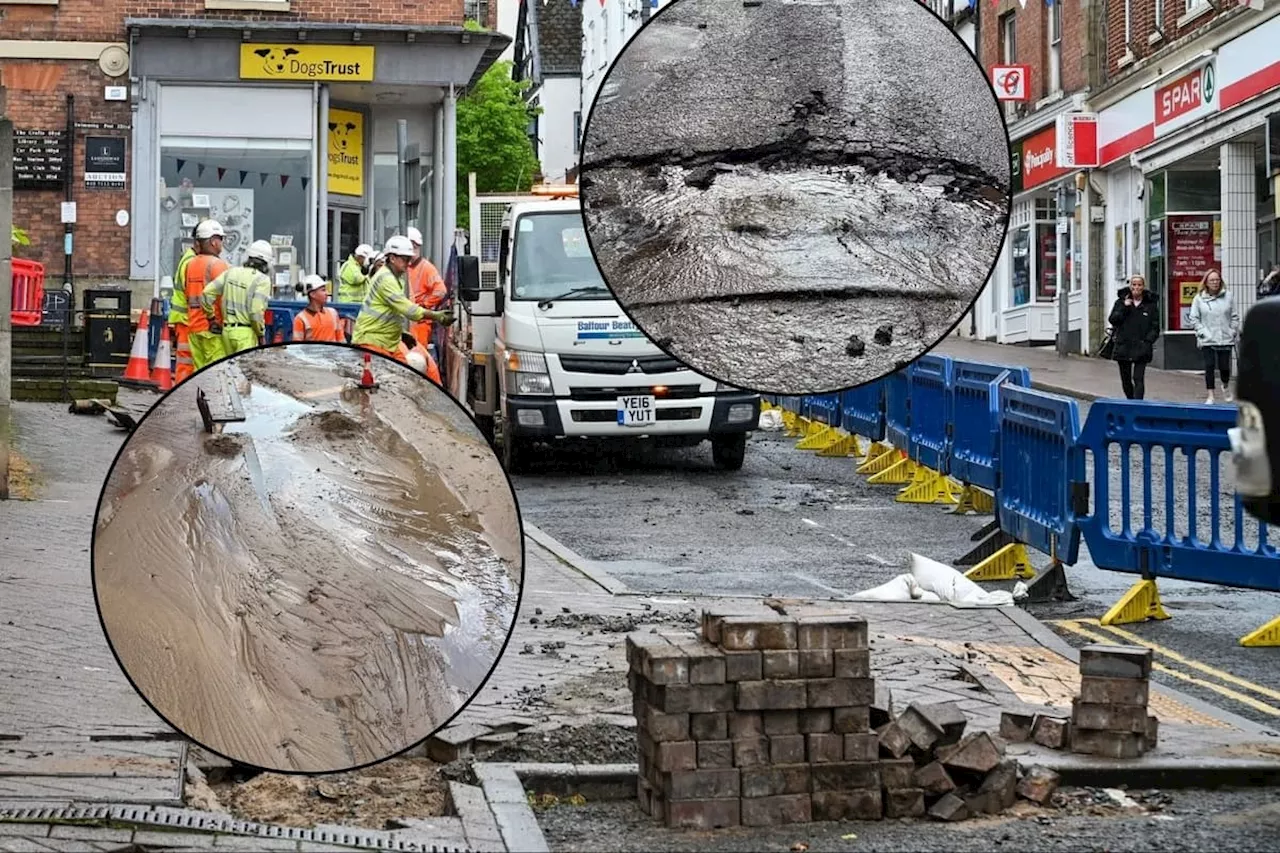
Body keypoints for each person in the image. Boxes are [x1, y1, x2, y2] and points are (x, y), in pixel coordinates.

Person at [351, 236, 453, 363]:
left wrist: (401, 333)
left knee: (407, 373)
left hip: (384, 342)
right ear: (392, 258)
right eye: (405, 259)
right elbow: (409, 310)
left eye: (409, 259)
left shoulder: (394, 278)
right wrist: (436, 315)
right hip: (372, 343)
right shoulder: (386, 279)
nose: (409, 263)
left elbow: (390, 313)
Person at [202, 240, 273, 355]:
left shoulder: (231, 272)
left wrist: (211, 317)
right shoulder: (262, 280)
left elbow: (206, 293)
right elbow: (255, 312)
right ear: (266, 263)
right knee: (245, 371)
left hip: (227, 332)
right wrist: (261, 335)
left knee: (231, 371)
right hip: (246, 335)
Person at [1188, 268, 1240, 404]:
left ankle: (1225, 385)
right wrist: (1202, 332)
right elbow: (1194, 318)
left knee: (1224, 367)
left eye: (1217, 280)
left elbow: (1234, 316)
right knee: (1209, 365)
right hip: (1208, 339)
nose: (1215, 283)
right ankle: (1210, 395)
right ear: (1206, 282)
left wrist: (1232, 330)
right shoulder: (1199, 298)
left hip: (1225, 338)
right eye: (1212, 280)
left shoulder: (1228, 296)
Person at [184, 220, 231, 371]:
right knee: (216, 374)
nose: (222, 243)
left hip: (194, 328)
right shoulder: (218, 265)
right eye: (220, 239)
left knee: (200, 373)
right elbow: (225, 299)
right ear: (213, 241)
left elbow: (189, 295)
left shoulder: (190, 264)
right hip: (212, 329)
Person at [1108, 274, 1161, 400]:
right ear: (1130, 286)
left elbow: (1155, 326)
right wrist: (1124, 308)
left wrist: (1148, 341)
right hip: (1124, 345)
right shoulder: (1121, 302)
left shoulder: (1150, 305)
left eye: (1139, 285)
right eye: (1134, 285)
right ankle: (1130, 401)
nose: (1136, 287)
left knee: (1138, 378)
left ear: (1143, 287)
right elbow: (1113, 320)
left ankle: (1138, 405)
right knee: (1126, 380)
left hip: (1141, 346)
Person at [405, 227, 448, 351]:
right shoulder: (406, 267)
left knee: (417, 356)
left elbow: (441, 291)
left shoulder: (426, 268)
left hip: (420, 323)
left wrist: (424, 304)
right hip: (408, 319)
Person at [169, 227, 201, 383]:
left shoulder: (188, 259)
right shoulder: (191, 263)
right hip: (187, 321)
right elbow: (193, 296)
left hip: (185, 320)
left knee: (186, 362)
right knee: (186, 362)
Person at [293, 275, 345, 343]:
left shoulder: (333, 313)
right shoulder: (300, 319)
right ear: (312, 294)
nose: (327, 293)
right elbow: (297, 347)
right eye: (323, 290)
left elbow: (341, 340)